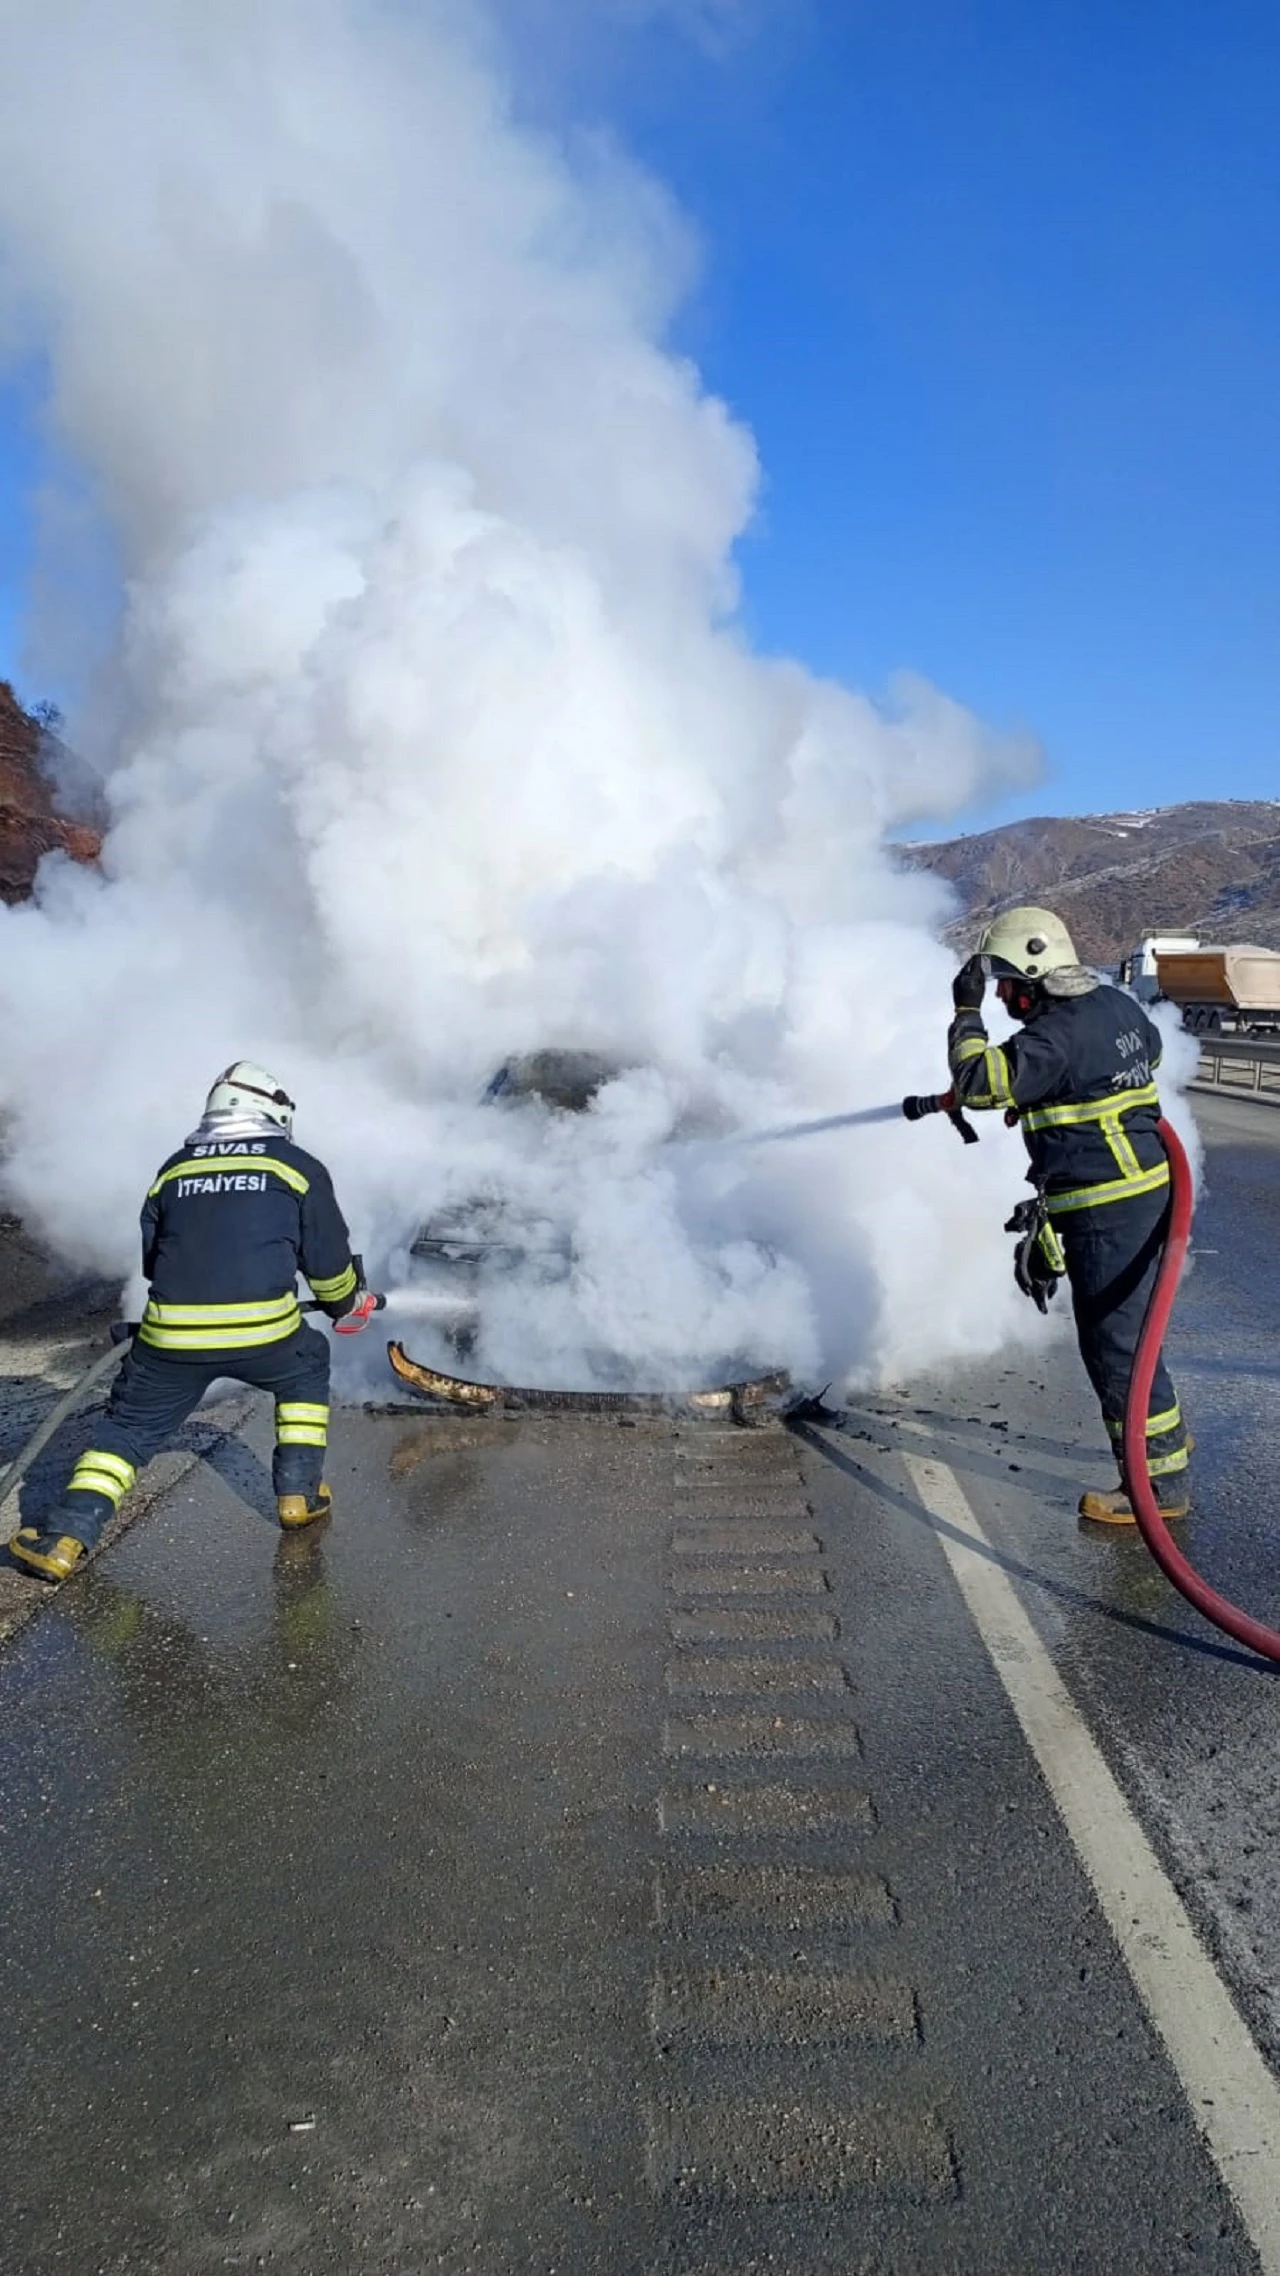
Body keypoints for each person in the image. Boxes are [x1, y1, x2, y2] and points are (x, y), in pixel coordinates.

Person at [11, 1062, 377, 1582]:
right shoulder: (297, 1166)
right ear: (274, 1112)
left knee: (127, 1429)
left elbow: (152, 1261)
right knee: (307, 1364)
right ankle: (298, 1494)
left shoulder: (174, 1169)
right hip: (268, 1336)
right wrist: (349, 1306)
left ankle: (65, 1538)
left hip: (171, 1339)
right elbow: (327, 1265)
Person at [946, 907, 1191, 1525]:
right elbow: (1149, 1054)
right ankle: (1162, 1456)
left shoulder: (1052, 1037)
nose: (1002, 993)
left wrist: (966, 1013)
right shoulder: (1115, 1007)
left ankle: (1158, 1489)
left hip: (1108, 1208)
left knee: (1116, 1346)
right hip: (1142, 1193)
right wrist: (1057, 1092)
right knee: (1132, 1335)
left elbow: (978, 1082)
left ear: (1034, 972)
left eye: (1006, 982)